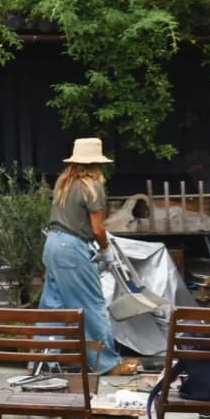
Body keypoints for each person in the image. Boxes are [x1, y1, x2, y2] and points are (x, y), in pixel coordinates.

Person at [39, 137, 140, 376]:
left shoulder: (63, 182)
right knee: (91, 305)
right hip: (72, 249)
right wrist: (106, 251)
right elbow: (97, 229)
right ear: (96, 163)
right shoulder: (92, 186)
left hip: (52, 243)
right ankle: (107, 363)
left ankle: (41, 361)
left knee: (53, 307)